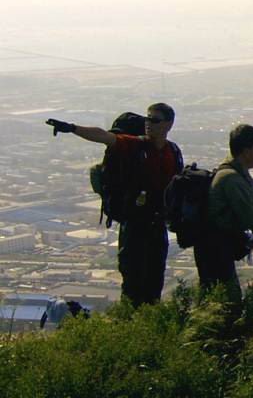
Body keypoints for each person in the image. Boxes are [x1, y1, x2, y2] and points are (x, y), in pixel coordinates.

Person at [46, 104, 183, 305]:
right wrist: (73, 128)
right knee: (133, 281)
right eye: (147, 118)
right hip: (135, 225)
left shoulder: (173, 151)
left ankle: (150, 317)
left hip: (157, 226)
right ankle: (132, 319)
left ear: (168, 124)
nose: (148, 123)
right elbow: (104, 136)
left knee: (155, 279)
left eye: (154, 120)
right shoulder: (135, 145)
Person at [195, 124, 253, 301]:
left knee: (224, 297)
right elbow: (249, 215)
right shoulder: (231, 178)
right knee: (223, 300)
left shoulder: (239, 172)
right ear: (246, 151)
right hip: (214, 247)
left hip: (220, 246)